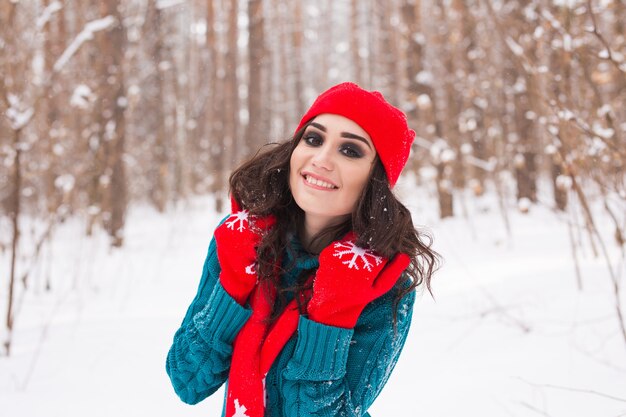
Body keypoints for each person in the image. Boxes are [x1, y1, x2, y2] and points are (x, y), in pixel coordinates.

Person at [166, 82, 440, 417]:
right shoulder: (242, 241)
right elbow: (188, 380)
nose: (321, 159)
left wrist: (333, 316)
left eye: (350, 151)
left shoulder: (382, 283)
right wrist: (234, 285)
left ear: (375, 180)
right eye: (314, 139)